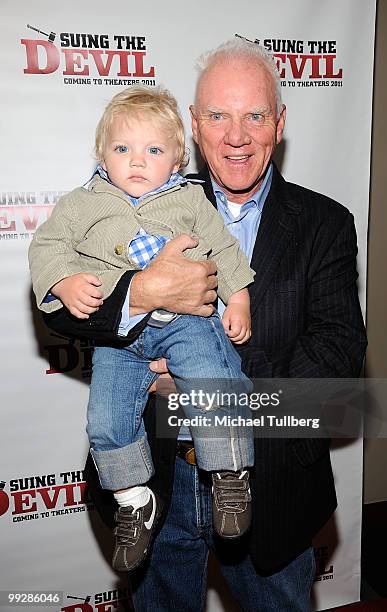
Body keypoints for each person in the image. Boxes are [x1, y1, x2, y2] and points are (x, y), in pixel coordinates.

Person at [42, 39, 367, 611]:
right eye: (218, 115)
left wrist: (208, 384)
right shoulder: (128, 200)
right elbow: (63, 305)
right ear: (193, 125)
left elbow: (337, 356)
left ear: (280, 122)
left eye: (254, 115)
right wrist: (139, 294)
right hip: (157, 479)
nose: (236, 135)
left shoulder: (326, 224)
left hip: (268, 480)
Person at [29, 85, 256, 573]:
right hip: (121, 338)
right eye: (122, 149)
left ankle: (230, 472)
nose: (136, 160)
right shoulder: (80, 204)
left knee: (215, 379)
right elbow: (47, 248)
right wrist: (64, 281)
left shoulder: (192, 201)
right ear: (102, 154)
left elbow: (223, 250)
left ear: (177, 160)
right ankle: (134, 499)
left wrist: (238, 299)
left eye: (153, 150)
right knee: (106, 416)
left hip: (188, 324)